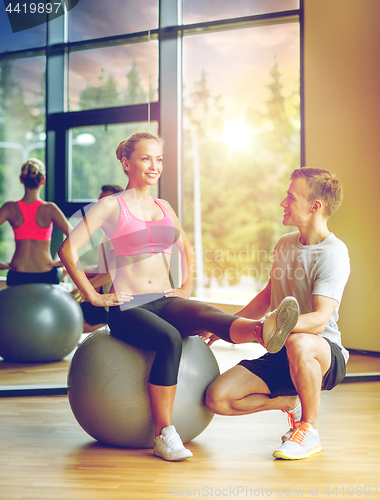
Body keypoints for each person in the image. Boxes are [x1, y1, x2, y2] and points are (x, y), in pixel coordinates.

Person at [58, 132, 300, 462]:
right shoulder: (111, 206)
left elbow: (186, 249)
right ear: (127, 163)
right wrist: (94, 297)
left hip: (164, 297)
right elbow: (68, 250)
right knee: (170, 339)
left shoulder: (164, 206)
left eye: (159, 159)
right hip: (129, 305)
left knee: (206, 314)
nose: (154, 166)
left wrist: (186, 285)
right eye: (146, 158)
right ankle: (164, 434)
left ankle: (263, 332)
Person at [205, 168, 350, 461]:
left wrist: (271, 327)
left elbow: (321, 318)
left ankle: (309, 429)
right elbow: (267, 296)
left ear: (315, 207)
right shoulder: (285, 244)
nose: (283, 204)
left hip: (323, 353)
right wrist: (226, 325)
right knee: (217, 398)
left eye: (290, 197)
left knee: (300, 341)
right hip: (282, 351)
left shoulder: (333, 253)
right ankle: (290, 402)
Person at [0, 158, 72, 285]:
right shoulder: (50, 209)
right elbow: (76, 235)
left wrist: (2, 264)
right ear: (43, 181)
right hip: (46, 274)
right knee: (64, 274)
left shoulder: (9, 208)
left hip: (17, 274)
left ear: (21, 179)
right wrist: (61, 261)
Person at [70, 184, 124, 333]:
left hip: (120, 304)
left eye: (104, 201)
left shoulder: (119, 232)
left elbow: (113, 271)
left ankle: (105, 329)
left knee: (76, 320)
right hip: (108, 300)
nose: (99, 206)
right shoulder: (107, 233)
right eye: (98, 201)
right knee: (74, 316)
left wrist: (86, 289)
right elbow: (102, 268)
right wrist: (71, 270)